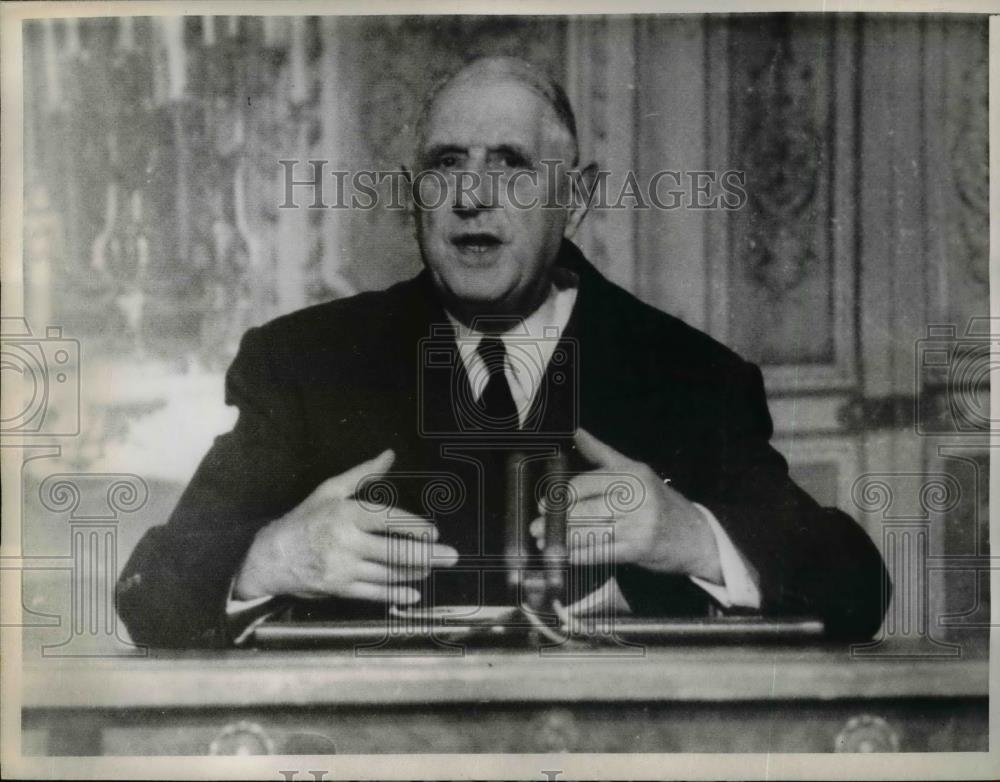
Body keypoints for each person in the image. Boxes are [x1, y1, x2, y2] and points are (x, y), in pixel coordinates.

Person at [117, 57, 889, 648]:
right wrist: (268, 559)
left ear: (576, 198)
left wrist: (692, 537)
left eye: (511, 165)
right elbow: (148, 589)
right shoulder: (305, 364)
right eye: (446, 164)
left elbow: (856, 586)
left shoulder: (689, 377)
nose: (471, 196)